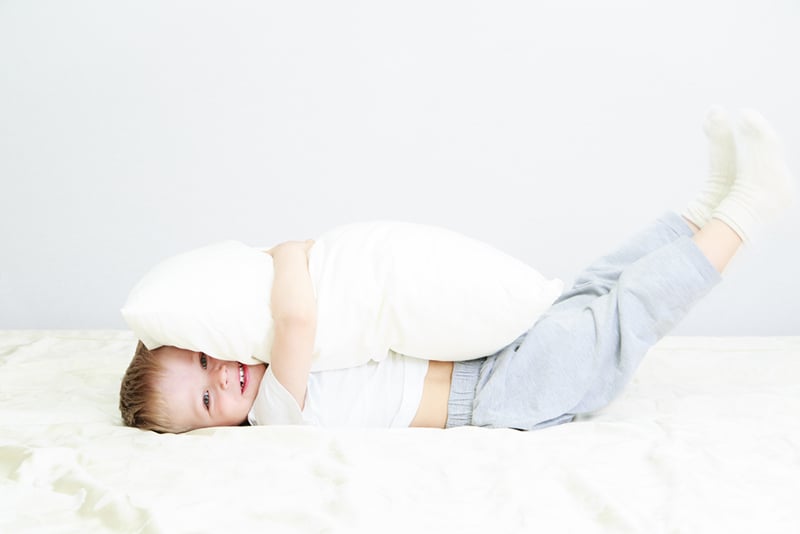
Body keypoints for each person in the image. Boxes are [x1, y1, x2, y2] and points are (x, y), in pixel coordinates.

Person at [119, 108, 795, 434]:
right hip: (499, 394)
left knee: (592, 285)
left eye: (207, 357)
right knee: (628, 311)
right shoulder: (271, 420)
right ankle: (745, 213)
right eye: (208, 399)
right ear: (212, 431)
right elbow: (296, 315)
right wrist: (285, 252)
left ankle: (702, 206)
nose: (224, 375)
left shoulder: (258, 363)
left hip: (487, 355)